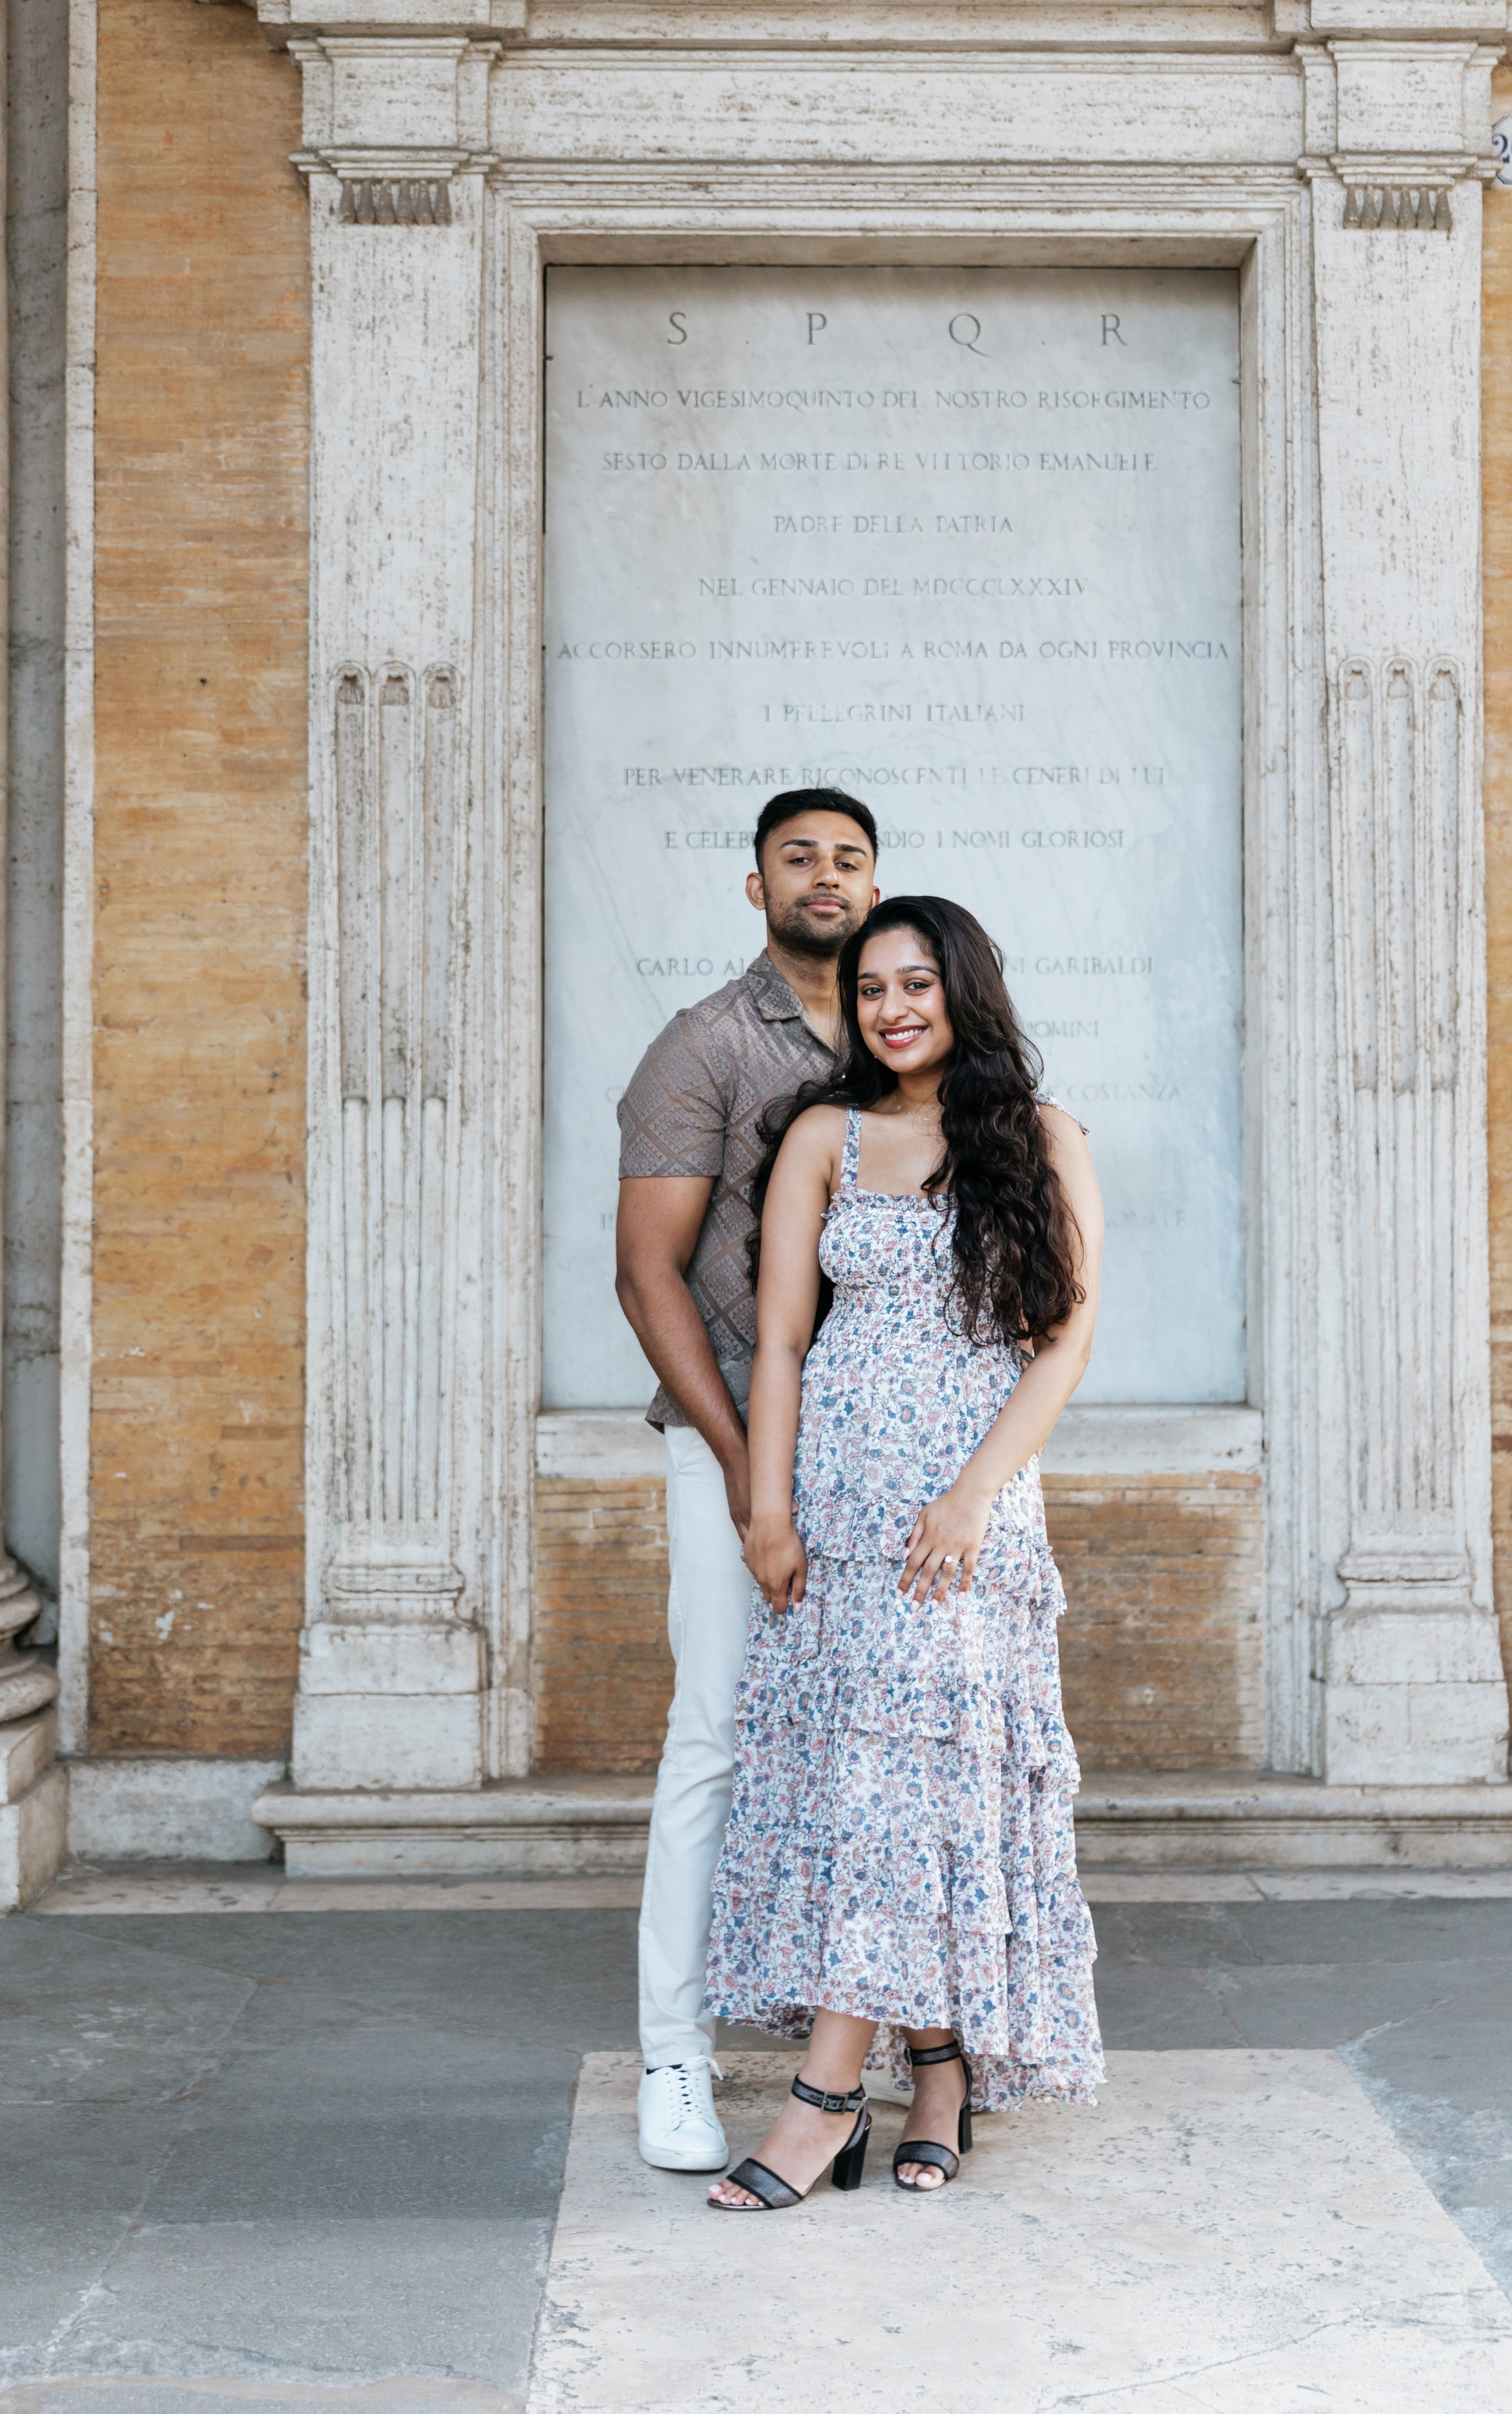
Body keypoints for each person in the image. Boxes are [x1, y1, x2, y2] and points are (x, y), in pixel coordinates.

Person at [703, 895, 1106, 2208]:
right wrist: (768, 1508)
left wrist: (973, 1497)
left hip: (964, 1516)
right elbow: (777, 1340)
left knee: (919, 1785)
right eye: (872, 989)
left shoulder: (1041, 1138)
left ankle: (824, 2103)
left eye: (917, 984)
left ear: (963, 991)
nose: (892, 1009)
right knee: (859, 1789)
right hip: (837, 1504)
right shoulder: (825, 1134)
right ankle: (936, 2069)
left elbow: (1065, 1341)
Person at [615, 788, 882, 2171]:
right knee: (715, 1737)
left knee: (860, 1750)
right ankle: (672, 2059)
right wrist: (737, 1463)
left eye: (846, 859)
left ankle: (841, 2061)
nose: (823, 878)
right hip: (726, 1430)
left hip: (871, 1448)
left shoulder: (903, 1031)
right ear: (754, 885)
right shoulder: (703, 1045)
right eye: (799, 858)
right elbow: (646, 1268)